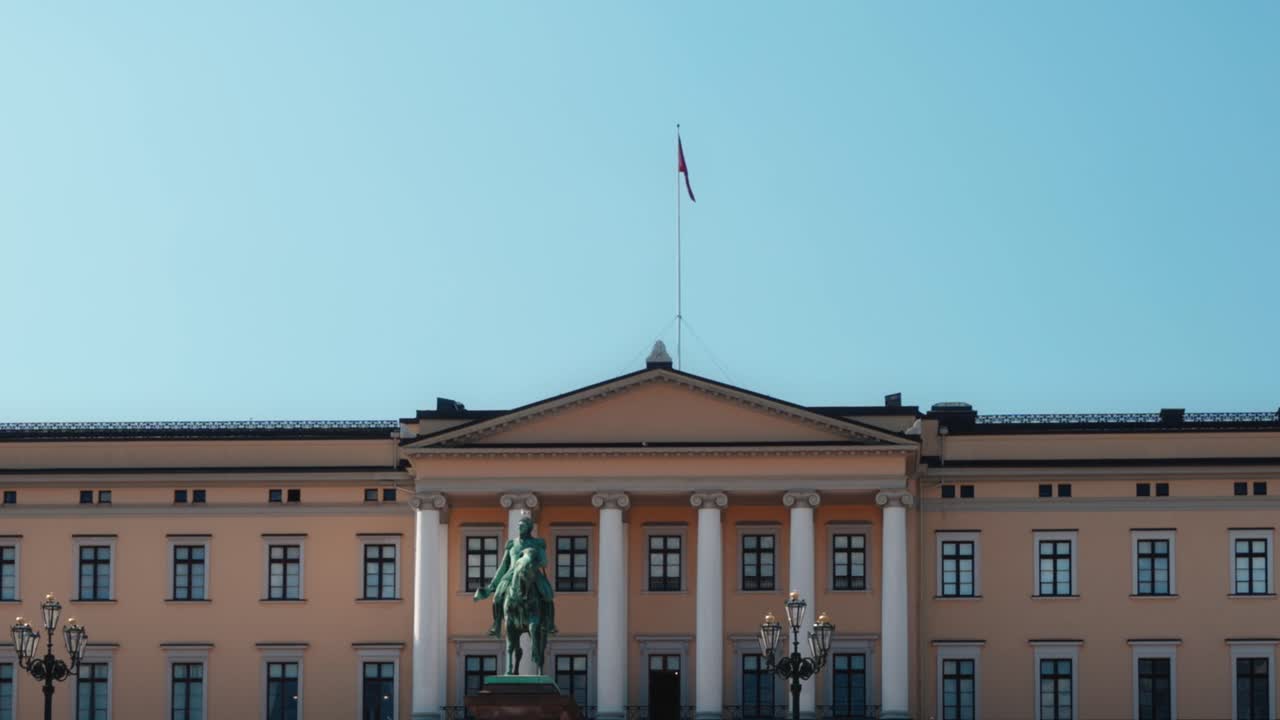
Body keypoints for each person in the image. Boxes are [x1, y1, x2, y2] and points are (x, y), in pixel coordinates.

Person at [473, 512, 557, 636]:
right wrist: (493, 584)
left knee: (548, 595)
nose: (519, 528)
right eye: (519, 526)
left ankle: (550, 624)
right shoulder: (512, 544)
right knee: (497, 597)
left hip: (532, 574)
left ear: (529, 528)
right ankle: (496, 624)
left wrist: (532, 564)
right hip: (511, 574)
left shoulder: (537, 543)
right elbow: (503, 566)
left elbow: (544, 562)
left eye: (522, 526)